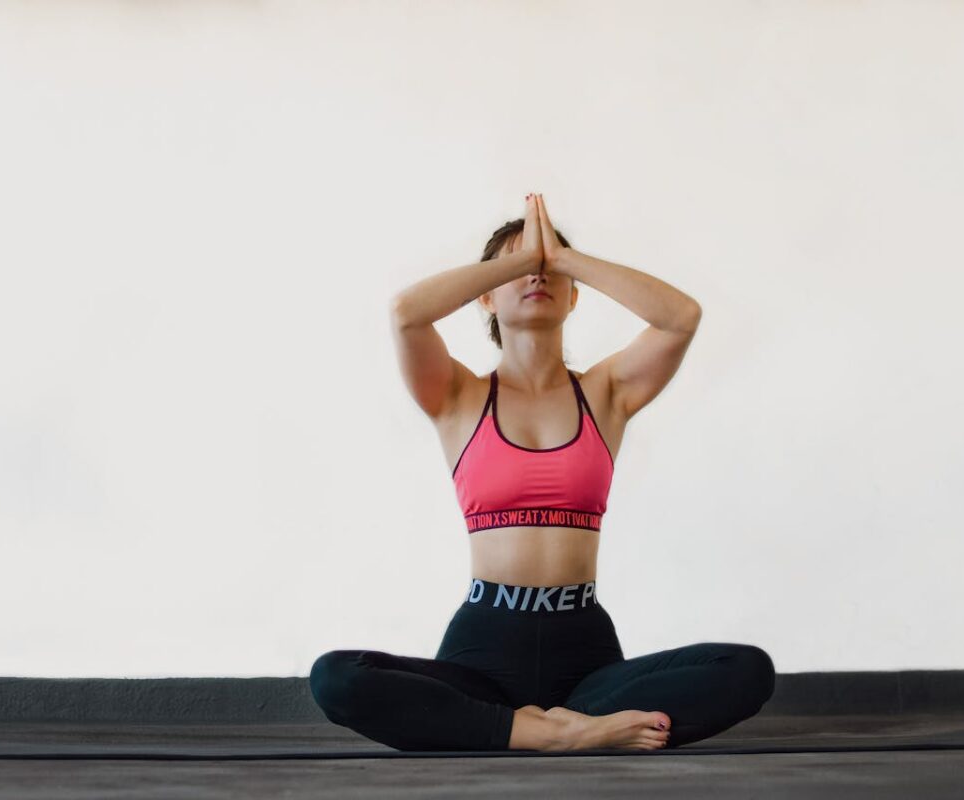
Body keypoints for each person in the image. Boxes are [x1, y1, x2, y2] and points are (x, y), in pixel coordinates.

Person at [309, 193, 775, 752]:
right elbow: (406, 313)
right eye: (519, 267)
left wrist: (564, 258)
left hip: (584, 658)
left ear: (574, 295)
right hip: (482, 650)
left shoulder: (605, 394)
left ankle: (529, 727)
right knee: (334, 677)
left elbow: (681, 318)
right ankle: (563, 735)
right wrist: (524, 258)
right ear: (485, 294)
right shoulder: (457, 395)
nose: (537, 272)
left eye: (548, 267)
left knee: (749, 670)